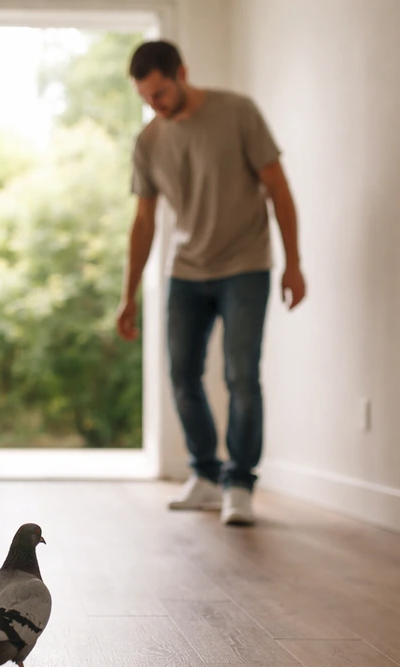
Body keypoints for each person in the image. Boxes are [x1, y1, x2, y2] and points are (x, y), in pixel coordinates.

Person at [116, 40, 306, 525]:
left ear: (181, 73)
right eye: (145, 98)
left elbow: (278, 189)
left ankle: (239, 483)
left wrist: (293, 263)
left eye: (160, 93)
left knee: (241, 375)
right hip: (186, 271)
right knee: (182, 375)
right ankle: (205, 475)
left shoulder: (237, 113)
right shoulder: (150, 141)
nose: (154, 105)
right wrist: (128, 294)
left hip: (245, 264)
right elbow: (144, 222)